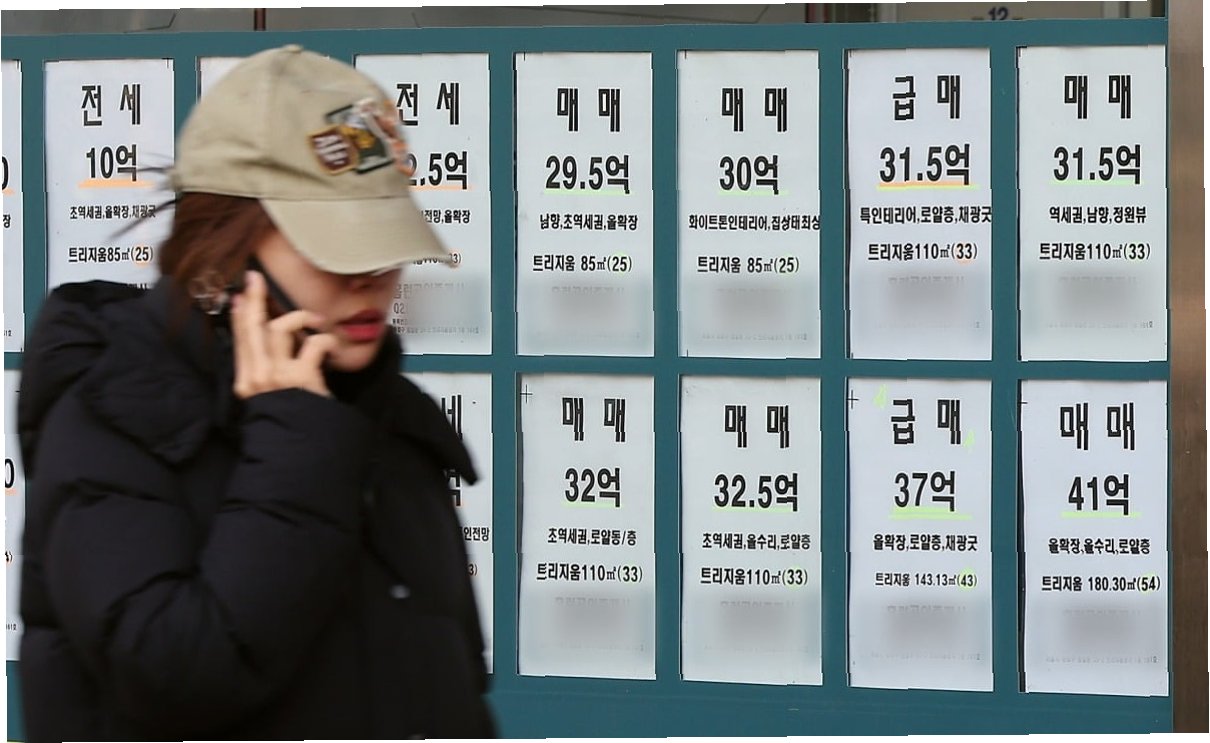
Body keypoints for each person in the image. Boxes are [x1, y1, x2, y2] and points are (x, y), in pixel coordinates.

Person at [16, 45, 495, 741]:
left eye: (386, 243)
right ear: (223, 251)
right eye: (337, 248)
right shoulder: (113, 416)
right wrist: (296, 449)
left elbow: (450, 684)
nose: (372, 278)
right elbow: (173, 674)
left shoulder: (390, 417)